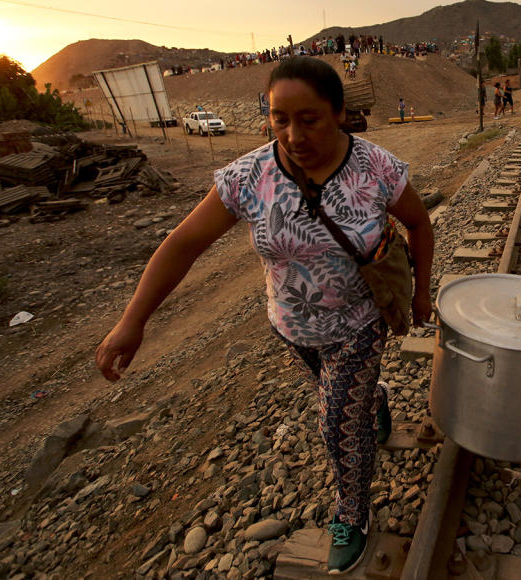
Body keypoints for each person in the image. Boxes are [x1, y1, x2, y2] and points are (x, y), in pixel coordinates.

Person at [95, 57, 434, 574]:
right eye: (280, 119)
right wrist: (132, 320)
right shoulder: (247, 177)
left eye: (310, 119)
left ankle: (352, 513)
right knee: (349, 401)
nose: (293, 134)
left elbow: (418, 224)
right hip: (291, 328)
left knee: (338, 426)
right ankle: (376, 397)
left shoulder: (375, 169)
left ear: (340, 113)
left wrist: (420, 294)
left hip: (359, 324)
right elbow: (183, 243)